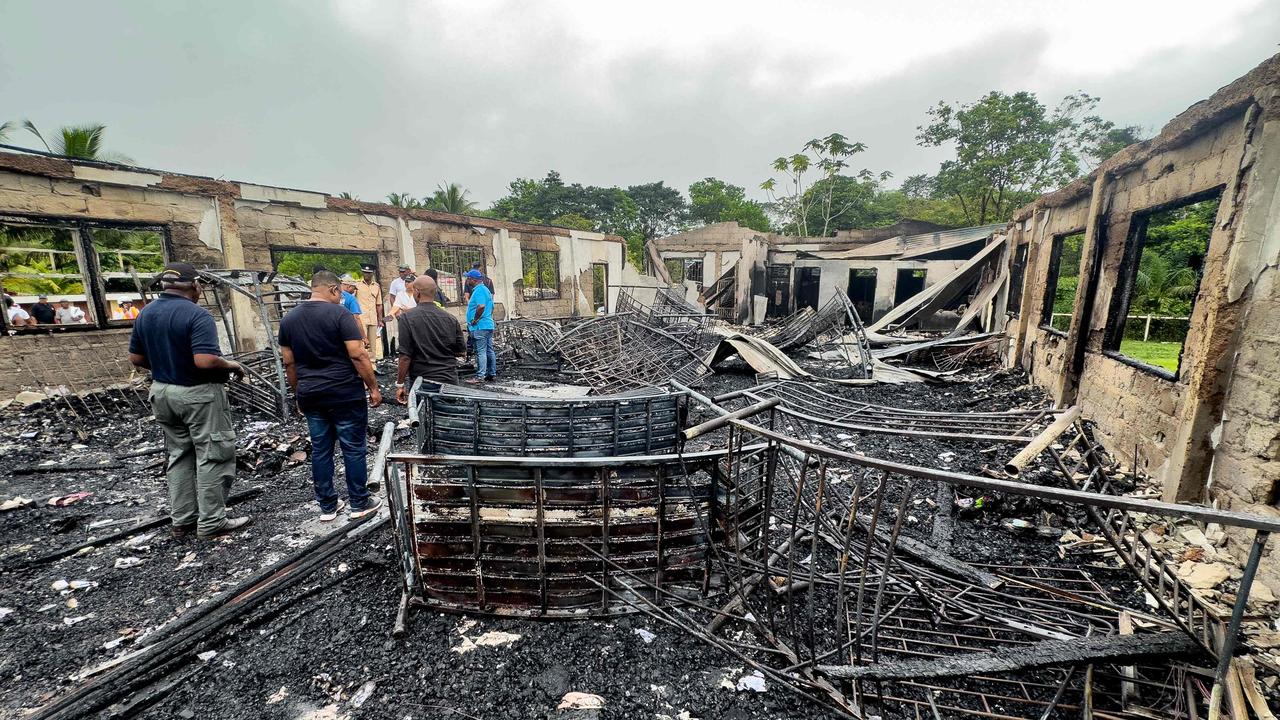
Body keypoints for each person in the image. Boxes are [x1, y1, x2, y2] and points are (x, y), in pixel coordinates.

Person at [127, 263, 250, 539]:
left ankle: (182, 520)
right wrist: (232, 365)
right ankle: (212, 522)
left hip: (163, 392)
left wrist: (164, 366)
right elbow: (205, 360)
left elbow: (136, 359)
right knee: (213, 454)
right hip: (198, 394)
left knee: (179, 455)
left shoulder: (146, 313)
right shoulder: (197, 315)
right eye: (200, 286)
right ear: (194, 285)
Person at [278, 270, 383, 522]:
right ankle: (359, 502)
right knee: (353, 448)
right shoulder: (341, 315)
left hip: (311, 394)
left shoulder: (289, 319)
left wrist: (298, 394)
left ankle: (327, 506)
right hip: (344, 392)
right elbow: (357, 354)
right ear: (334, 290)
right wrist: (373, 387)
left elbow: (289, 363)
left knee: (321, 450)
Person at [395, 275, 466, 403]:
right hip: (449, 381)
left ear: (417, 292)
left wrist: (400, 384)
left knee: (423, 419)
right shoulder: (450, 318)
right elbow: (461, 351)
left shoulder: (406, 318)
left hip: (422, 382)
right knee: (450, 418)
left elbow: (405, 356)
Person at [463, 269, 496, 384]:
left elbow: (481, 306)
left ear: (473, 279)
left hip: (480, 326)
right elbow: (491, 307)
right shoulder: (485, 290)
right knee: (489, 350)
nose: (466, 280)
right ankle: (491, 373)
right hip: (487, 325)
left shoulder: (479, 291)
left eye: (468, 278)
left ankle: (480, 376)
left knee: (481, 351)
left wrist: (475, 319)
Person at [354, 263, 384, 361]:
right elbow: (352, 301)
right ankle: (362, 363)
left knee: (373, 343)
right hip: (361, 318)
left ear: (372, 274)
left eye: (369, 273)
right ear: (362, 273)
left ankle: (372, 364)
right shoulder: (357, 286)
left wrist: (380, 319)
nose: (366, 275)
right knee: (362, 342)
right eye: (365, 272)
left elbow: (379, 304)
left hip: (373, 318)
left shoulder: (376, 286)